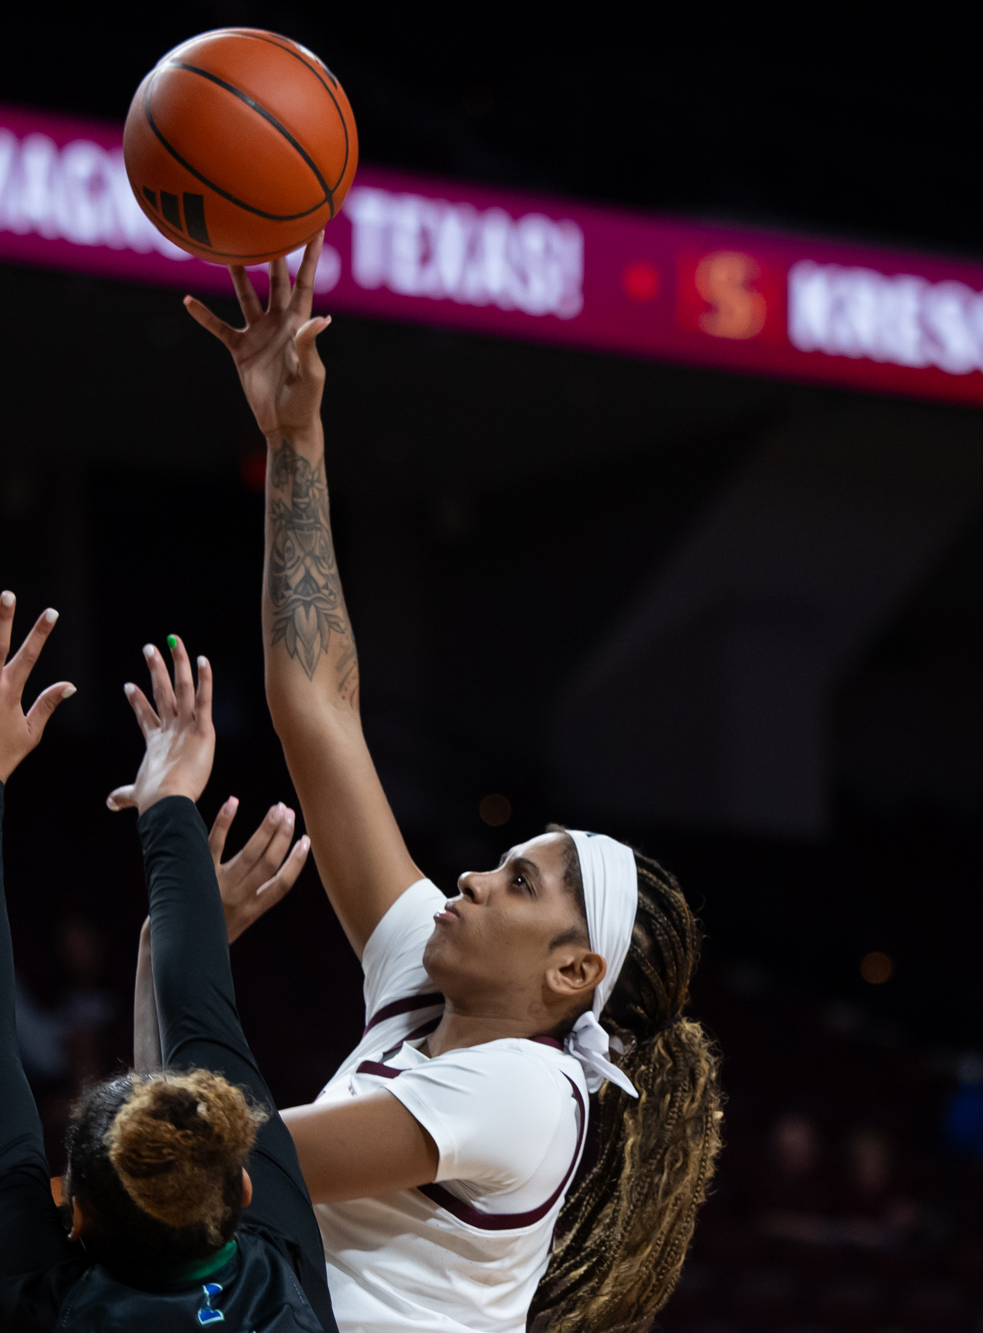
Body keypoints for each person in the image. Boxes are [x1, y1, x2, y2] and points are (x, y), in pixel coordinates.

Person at [180, 234, 725, 1333]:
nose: (472, 878)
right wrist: (294, 439)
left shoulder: (524, 1091)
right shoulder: (432, 982)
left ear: (572, 971)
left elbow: (209, 1170)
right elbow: (318, 708)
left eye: (519, 882)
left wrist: (175, 957)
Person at [0, 591, 335, 1332]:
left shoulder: (40, 1299)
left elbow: (200, 1020)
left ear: (76, 1216)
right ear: (246, 1192)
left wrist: (169, 798)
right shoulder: (279, 1276)